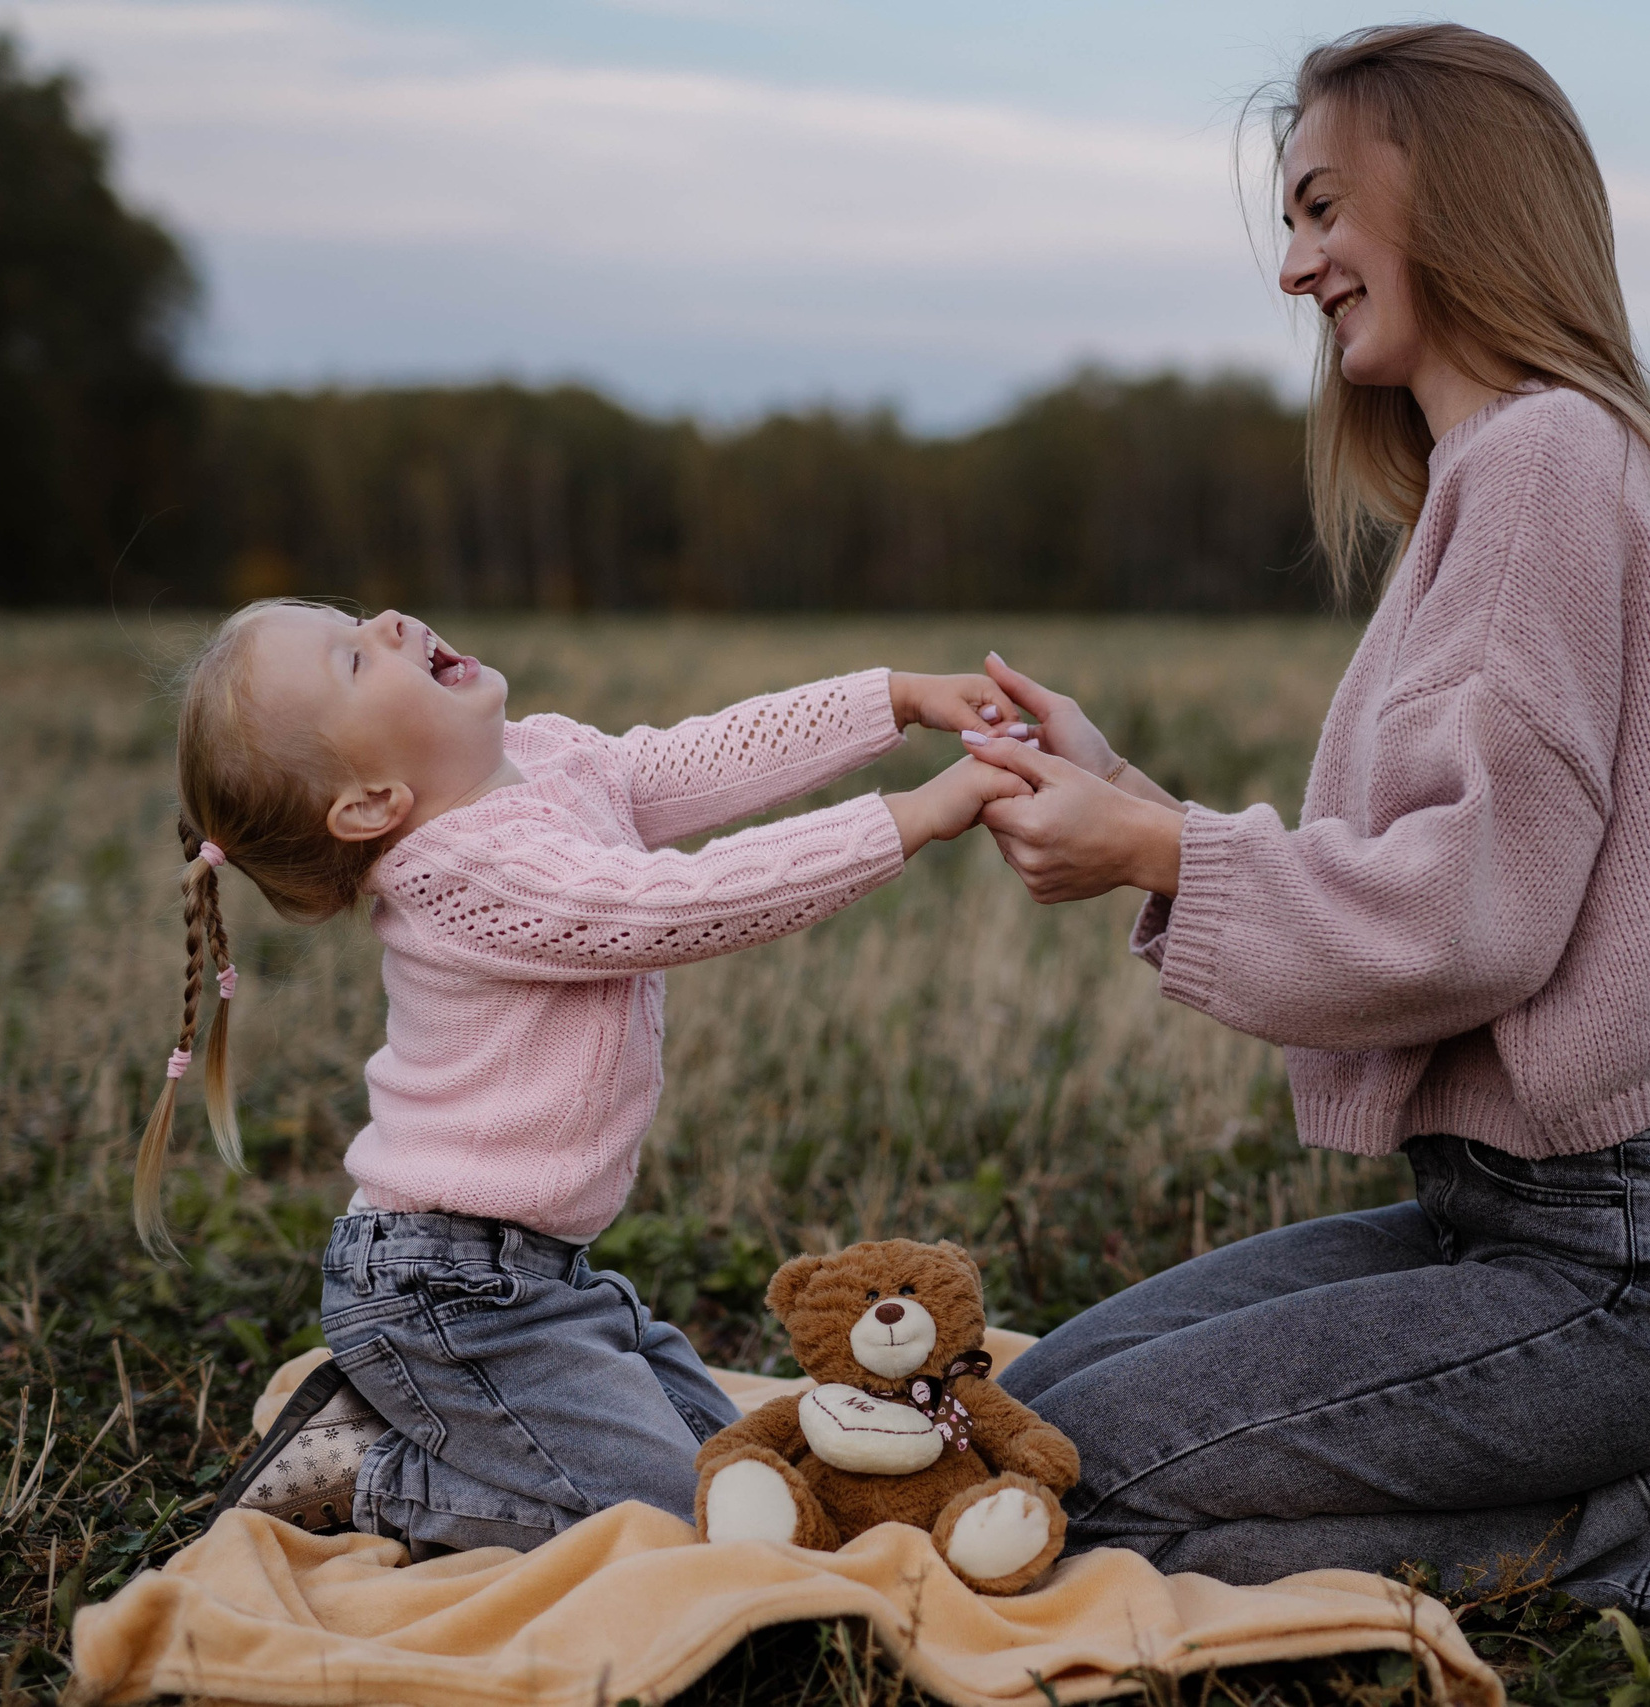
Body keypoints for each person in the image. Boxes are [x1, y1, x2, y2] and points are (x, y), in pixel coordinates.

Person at [959, 23, 1650, 1615]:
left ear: (1455, 192)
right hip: (1504, 1219)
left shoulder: (1545, 463)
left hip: (1634, 1258)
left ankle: (1646, 1525)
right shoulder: (1506, 472)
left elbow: (1472, 915)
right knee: (1031, 1414)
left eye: (1322, 209)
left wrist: (1155, 851)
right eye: (1289, 221)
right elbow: (1453, 863)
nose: (1293, 266)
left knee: (1057, 1498)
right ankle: (1587, 1463)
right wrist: (1133, 801)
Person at [146, 599, 1030, 1555]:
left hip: (542, 1281)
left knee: (740, 1468)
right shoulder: (466, 872)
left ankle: (431, 1423)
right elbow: (675, 903)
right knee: (691, 1518)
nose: (391, 622)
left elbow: (706, 755)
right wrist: (911, 817)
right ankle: (375, 1475)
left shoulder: (547, 758)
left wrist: (894, 700)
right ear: (370, 805)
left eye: (357, 618)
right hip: (443, 1291)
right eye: (354, 659)